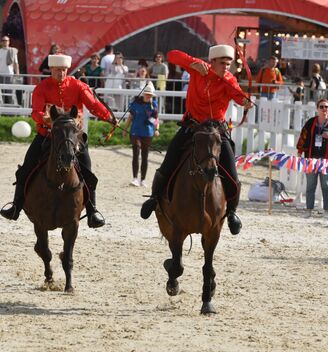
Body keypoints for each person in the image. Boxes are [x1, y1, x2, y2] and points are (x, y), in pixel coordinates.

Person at [140, 45, 253, 235]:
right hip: (191, 127)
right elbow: (172, 54)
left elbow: (239, 96)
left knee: (232, 175)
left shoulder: (229, 80)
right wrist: (192, 63)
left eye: (228, 64)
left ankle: (232, 212)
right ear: (213, 61)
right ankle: (155, 198)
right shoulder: (198, 68)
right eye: (223, 63)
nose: (226, 67)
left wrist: (246, 101)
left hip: (216, 131)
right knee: (168, 163)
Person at [0, 53, 116, 227]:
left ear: (67, 70)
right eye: (57, 70)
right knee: (25, 168)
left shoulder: (78, 86)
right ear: (51, 70)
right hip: (47, 135)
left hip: (73, 137)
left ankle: (92, 211)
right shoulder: (42, 87)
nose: (60, 73)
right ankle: (16, 206)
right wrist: (46, 119)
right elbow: (36, 112)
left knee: (88, 172)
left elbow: (93, 104)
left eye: (63, 70)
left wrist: (108, 116)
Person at [296, 99, 328, 218]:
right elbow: (303, 136)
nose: (324, 109)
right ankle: (308, 210)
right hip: (311, 159)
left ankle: (326, 211)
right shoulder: (311, 122)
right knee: (310, 185)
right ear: (317, 109)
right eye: (322, 107)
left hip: (326, 160)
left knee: (326, 186)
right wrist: (299, 151)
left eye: (326, 107)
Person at [123, 82, 159, 187]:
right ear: (143, 94)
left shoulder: (154, 106)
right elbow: (130, 117)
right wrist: (125, 128)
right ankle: (135, 178)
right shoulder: (136, 104)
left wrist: (157, 129)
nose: (148, 96)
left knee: (145, 156)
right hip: (135, 132)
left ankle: (143, 179)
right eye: (147, 94)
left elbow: (156, 119)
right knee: (136, 153)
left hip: (148, 133)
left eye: (150, 95)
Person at [0, 35, 19, 104]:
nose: (5, 42)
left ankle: (12, 110)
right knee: (2, 94)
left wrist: (17, 73)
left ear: (9, 42)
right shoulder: (0, 51)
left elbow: (16, 63)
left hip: (9, 74)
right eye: (3, 40)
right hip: (1, 75)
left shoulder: (12, 51)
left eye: (6, 40)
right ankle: (4, 110)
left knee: (10, 93)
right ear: (1, 42)